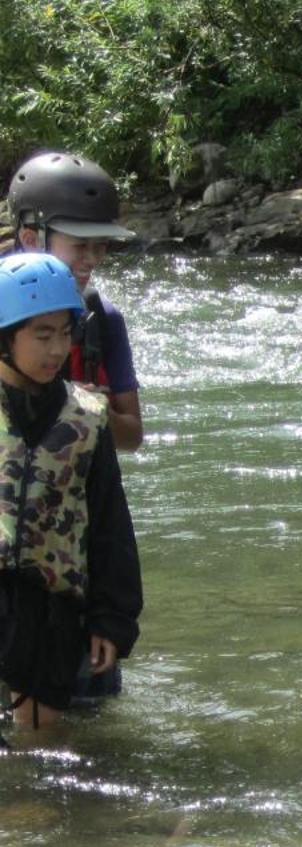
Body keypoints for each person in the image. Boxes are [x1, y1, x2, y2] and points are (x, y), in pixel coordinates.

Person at [0, 251, 142, 735]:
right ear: (5, 337)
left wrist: (111, 617)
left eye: (65, 332)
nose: (57, 349)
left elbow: (109, 524)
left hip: (52, 610)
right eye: (42, 335)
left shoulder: (87, 417)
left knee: (38, 753)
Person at [6, 153, 142, 453]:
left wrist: (91, 408)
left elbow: (132, 436)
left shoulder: (103, 316)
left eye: (101, 246)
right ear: (31, 239)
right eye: (80, 246)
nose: (92, 260)